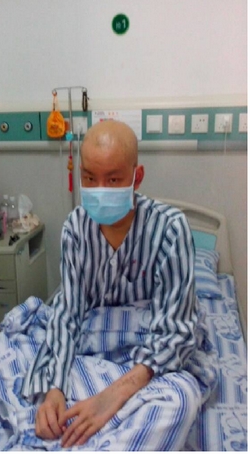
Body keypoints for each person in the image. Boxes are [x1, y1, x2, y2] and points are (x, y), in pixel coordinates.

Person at [23, 120, 200, 447]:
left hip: (147, 364)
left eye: (114, 179)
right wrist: (54, 389)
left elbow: (178, 332)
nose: (100, 188)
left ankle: (106, 425)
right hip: (88, 355)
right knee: (18, 369)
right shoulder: (76, 228)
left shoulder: (170, 229)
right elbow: (67, 312)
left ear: (137, 177)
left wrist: (112, 396)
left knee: (182, 399)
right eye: (90, 178)